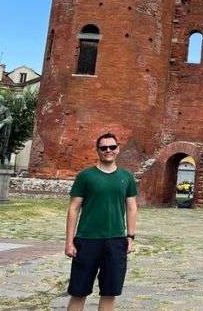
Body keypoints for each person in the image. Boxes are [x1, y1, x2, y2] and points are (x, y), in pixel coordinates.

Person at [65, 133, 138, 311]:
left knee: (109, 292)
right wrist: (69, 242)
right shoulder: (85, 176)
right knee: (78, 292)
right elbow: (73, 208)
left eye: (112, 147)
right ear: (97, 150)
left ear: (118, 149)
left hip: (116, 241)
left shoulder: (126, 177)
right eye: (103, 148)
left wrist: (130, 237)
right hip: (87, 240)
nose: (108, 151)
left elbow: (132, 207)